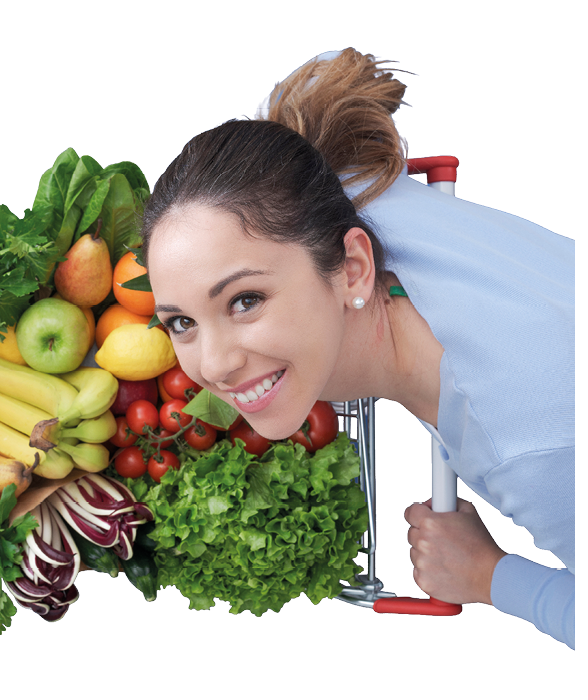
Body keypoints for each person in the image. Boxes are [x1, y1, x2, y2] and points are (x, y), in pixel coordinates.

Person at [141, 48, 574, 648]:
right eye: (182, 321)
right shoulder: (343, 186)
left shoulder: (530, 444)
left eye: (246, 300)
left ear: (353, 267)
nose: (213, 366)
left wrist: (491, 576)